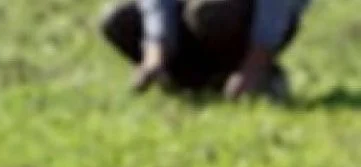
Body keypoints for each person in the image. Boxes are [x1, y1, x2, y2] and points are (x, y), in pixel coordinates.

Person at [100, 0, 311, 100]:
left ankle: (258, 76)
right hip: (192, 14)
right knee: (117, 22)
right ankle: (202, 81)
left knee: (211, 13)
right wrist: (156, 52)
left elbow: (277, 7)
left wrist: (254, 65)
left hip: (258, 17)